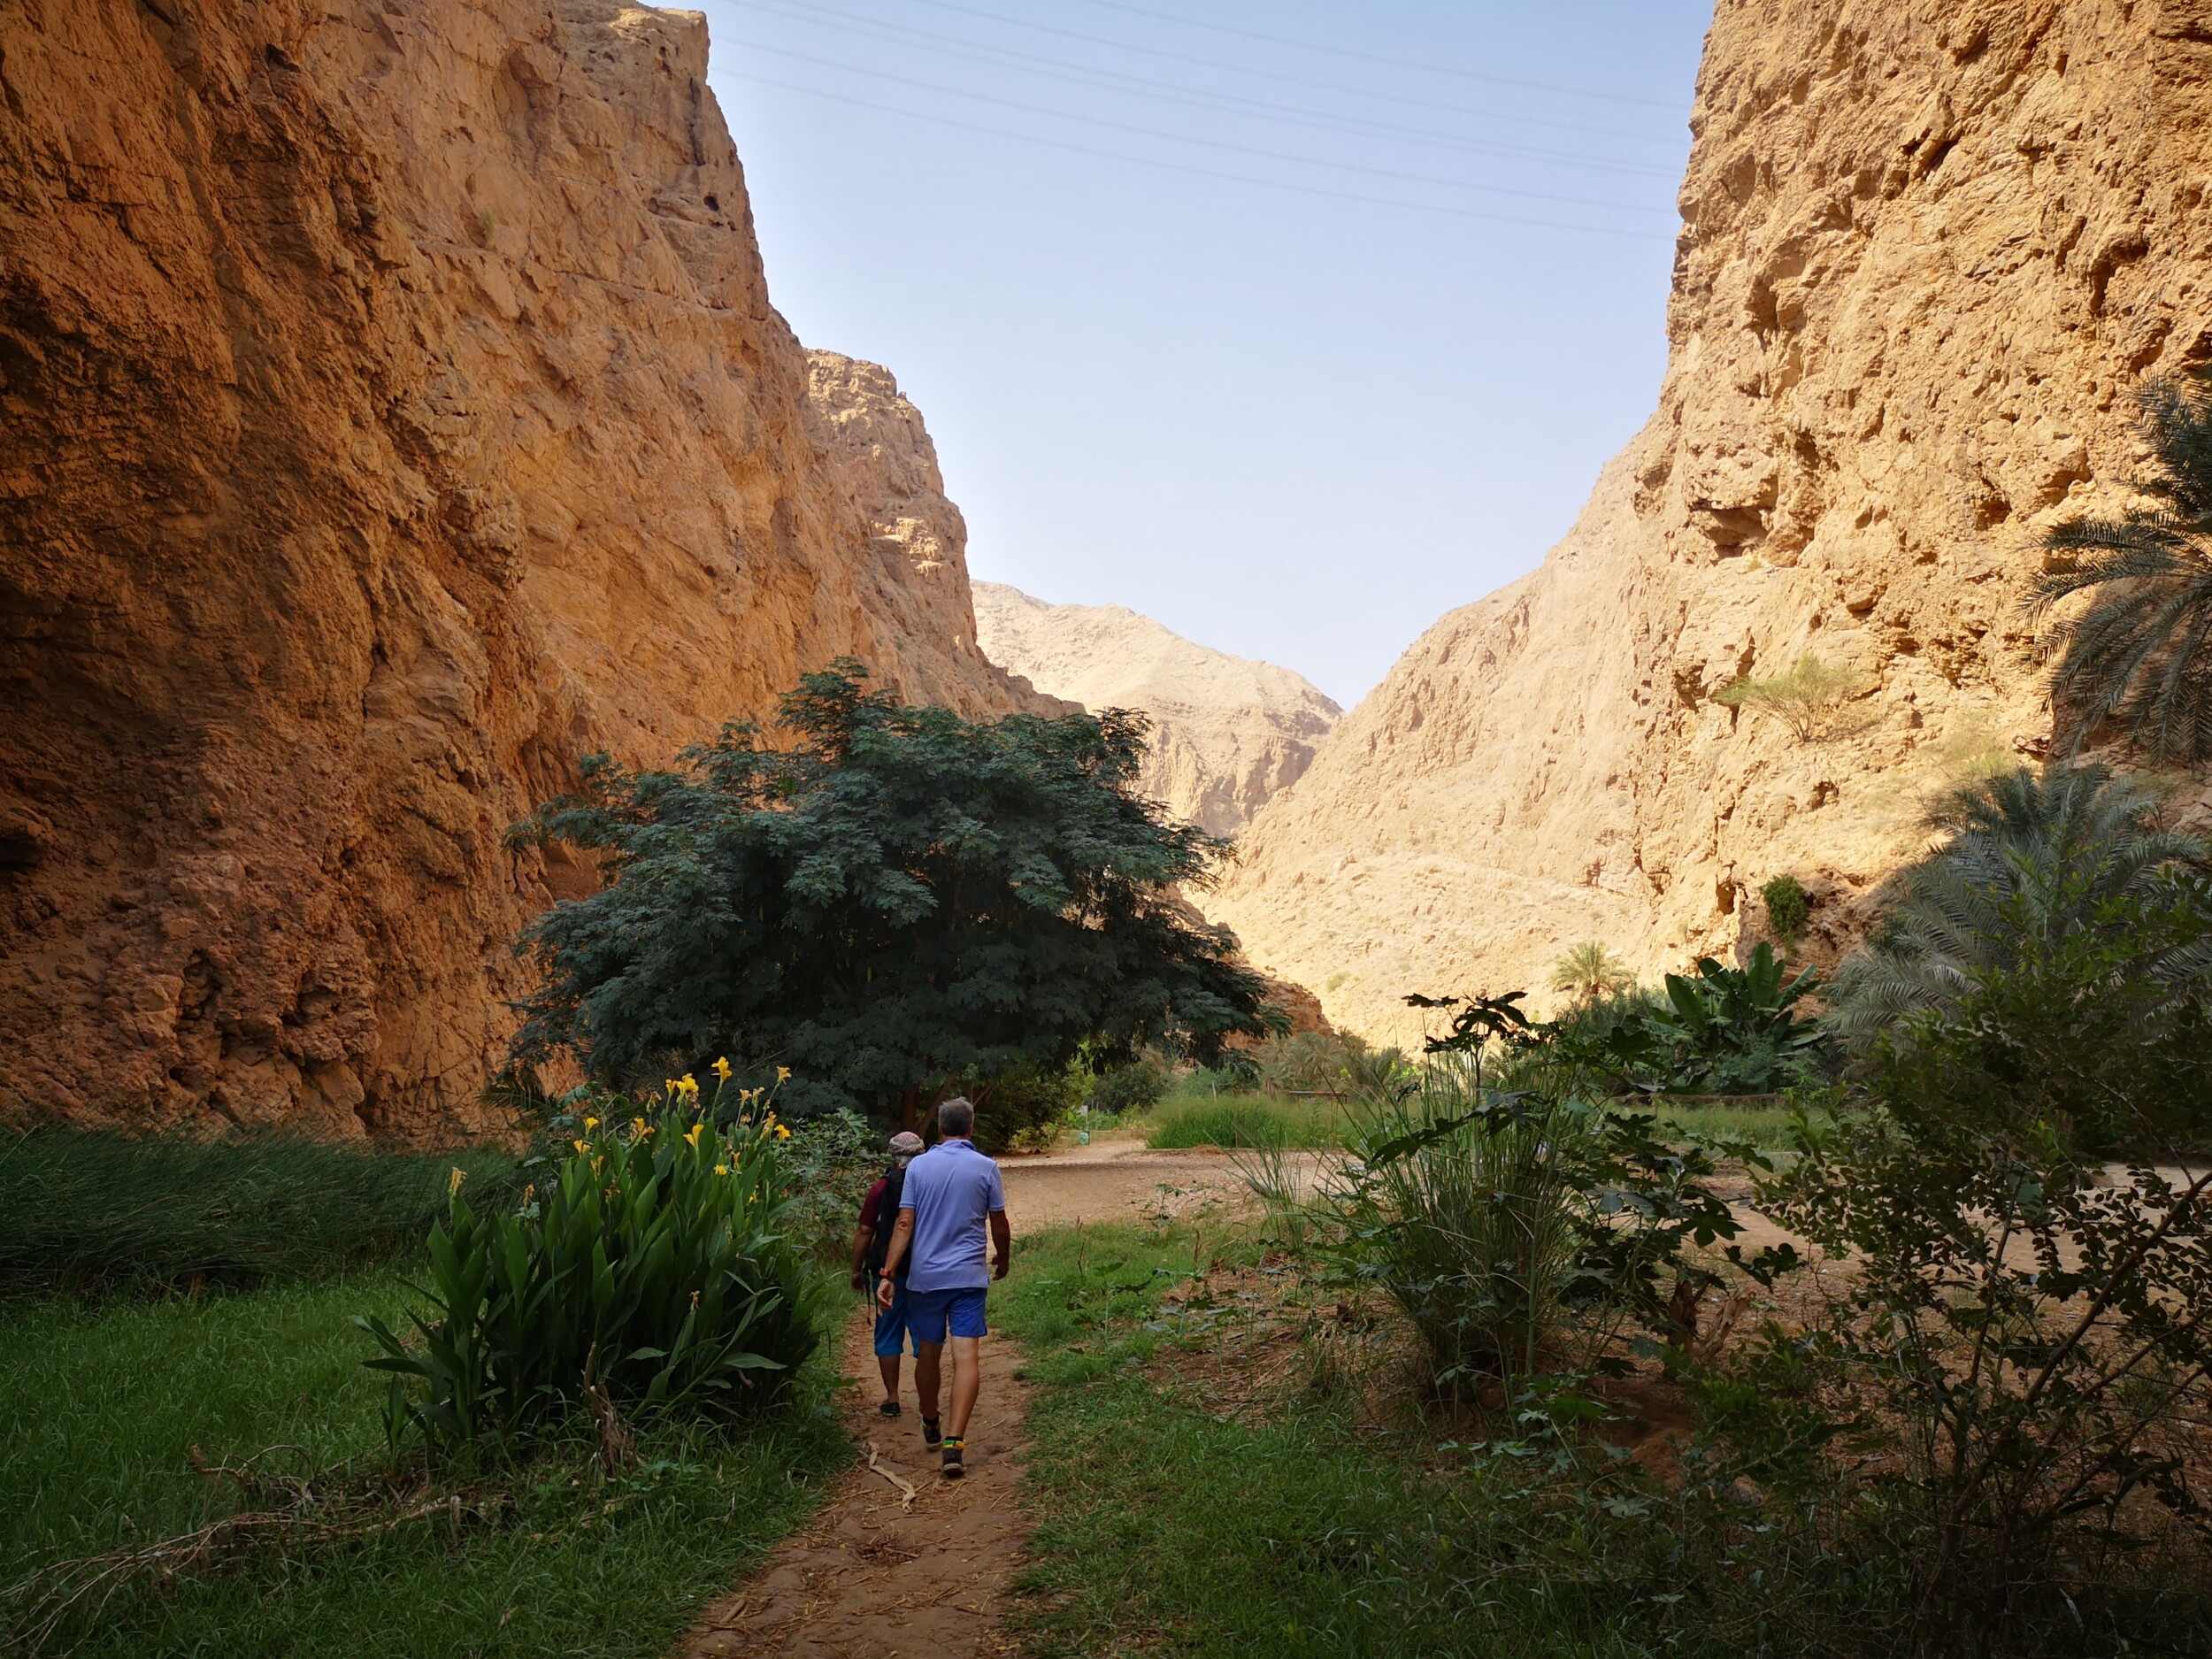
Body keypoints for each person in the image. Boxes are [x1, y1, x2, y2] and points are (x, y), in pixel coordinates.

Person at [875, 1096, 1009, 1479]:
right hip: (968, 1278)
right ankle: (954, 1443)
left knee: (929, 1354)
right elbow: (999, 1222)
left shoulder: (918, 1168)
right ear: (971, 1127)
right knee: (966, 1357)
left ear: (939, 1128)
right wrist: (1004, 1258)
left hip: (925, 1280)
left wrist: (887, 1275)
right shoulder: (986, 1168)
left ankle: (931, 1417)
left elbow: (904, 1224)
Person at [851, 1130, 926, 1417]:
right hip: (923, 1270)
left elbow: (865, 1231)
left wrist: (856, 1270)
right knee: (924, 1334)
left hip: (886, 1272)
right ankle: (925, 1398)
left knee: (887, 1333)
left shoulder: (879, 1189)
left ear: (892, 1156)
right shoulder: (928, 1185)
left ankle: (892, 1398)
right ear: (922, 1153)